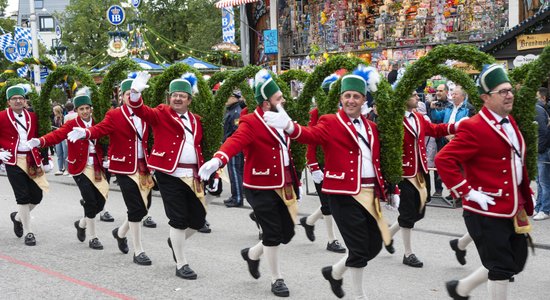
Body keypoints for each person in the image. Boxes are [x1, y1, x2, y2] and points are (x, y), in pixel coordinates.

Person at [263, 65, 396, 299]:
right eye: (347, 96)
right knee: (358, 247)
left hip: (369, 193)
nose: (351, 100)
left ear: (364, 99)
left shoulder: (372, 127)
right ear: (341, 98)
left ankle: (335, 272)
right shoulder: (330, 121)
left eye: (356, 96)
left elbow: (377, 160)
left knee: (374, 245)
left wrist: (391, 187)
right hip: (342, 193)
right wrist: (288, 126)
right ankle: (359, 295)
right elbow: (309, 135)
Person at [436, 64, 533, 300]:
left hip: (511, 206)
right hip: (484, 209)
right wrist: (467, 192)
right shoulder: (474, 126)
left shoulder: (510, 121)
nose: (509, 95)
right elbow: (443, 159)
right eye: (502, 91)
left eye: (510, 90)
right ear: (485, 98)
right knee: (500, 268)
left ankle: (461, 289)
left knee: (515, 263)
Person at [199, 69, 299, 297]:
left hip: (283, 183)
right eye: (278, 98)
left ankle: (252, 254)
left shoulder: (282, 117)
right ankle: (277, 279)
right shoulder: (251, 122)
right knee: (273, 233)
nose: (282, 101)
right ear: (266, 103)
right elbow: (236, 141)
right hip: (259, 186)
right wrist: (218, 158)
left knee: (287, 233)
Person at [126, 71, 207, 280]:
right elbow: (140, 110)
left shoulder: (196, 120)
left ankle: (175, 240)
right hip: (169, 173)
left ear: (189, 99)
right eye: (174, 95)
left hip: (193, 175)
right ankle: (181, 264)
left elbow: (197, 146)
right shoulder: (161, 113)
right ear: (169, 98)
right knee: (178, 219)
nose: (177, 98)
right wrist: (135, 92)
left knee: (198, 220)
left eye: (182, 95)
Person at [68, 77, 155, 264]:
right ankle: (138, 250)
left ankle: (120, 232)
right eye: (127, 93)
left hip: (144, 166)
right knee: (135, 207)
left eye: (133, 93)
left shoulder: (146, 113)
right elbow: (100, 128)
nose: (130, 96)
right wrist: (86, 132)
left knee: (145, 207)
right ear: (121, 96)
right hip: (123, 167)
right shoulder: (114, 115)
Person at [28, 87, 108, 250]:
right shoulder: (72, 124)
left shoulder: (98, 122)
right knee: (91, 202)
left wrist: (109, 157)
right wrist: (41, 141)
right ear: (76, 110)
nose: (85, 112)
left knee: (101, 202)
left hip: (98, 166)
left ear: (91, 108)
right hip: (80, 167)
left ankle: (81, 224)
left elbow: (108, 139)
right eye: (81, 109)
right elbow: (57, 135)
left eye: (87, 108)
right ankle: (93, 237)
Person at [387, 90, 457, 268]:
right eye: (413, 95)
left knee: (420, 211)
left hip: (421, 171)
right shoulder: (394, 119)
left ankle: (386, 234)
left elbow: (434, 129)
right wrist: (391, 181)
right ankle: (408, 253)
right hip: (404, 174)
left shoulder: (418, 117)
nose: (418, 98)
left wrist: (456, 127)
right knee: (408, 212)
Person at [299, 73, 345, 253]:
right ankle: (331, 239)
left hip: (336, 163)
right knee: (328, 203)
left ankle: (308, 221)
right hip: (320, 163)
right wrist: (313, 166)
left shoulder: (340, 114)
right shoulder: (315, 113)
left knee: (333, 201)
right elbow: (311, 141)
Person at [0, 84, 49, 246]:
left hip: (31, 159)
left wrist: (46, 158)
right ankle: (29, 232)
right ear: (9, 102)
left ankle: (17, 218)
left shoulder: (33, 116)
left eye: (21, 98)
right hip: (13, 160)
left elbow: (39, 136)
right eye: (14, 99)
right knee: (22, 197)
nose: (18, 101)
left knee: (37, 195)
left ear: (25, 100)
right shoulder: (1, 116)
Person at [427, 83, 452, 197]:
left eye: (441, 91)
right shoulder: (431, 104)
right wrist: (431, 108)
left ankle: (452, 191)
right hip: (433, 139)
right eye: (437, 90)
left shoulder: (450, 106)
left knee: (444, 163)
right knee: (433, 163)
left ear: (446, 92)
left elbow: (442, 120)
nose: (438, 93)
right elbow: (430, 119)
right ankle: (437, 190)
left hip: (444, 138)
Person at [222, 90, 245, 208]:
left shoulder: (236, 112)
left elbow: (236, 131)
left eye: (229, 96)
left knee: (235, 171)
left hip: (234, 146)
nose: (226, 98)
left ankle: (238, 198)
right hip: (231, 145)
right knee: (234, 171)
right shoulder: (232, 110)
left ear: (236, 98)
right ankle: (235, 195)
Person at [534, 87, 550, 221]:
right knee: (541, 181)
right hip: (542, 150)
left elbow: (543, 132)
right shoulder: (541, 109)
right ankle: (539, 207)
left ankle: (545, 209)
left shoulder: (538, 110)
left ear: (542, 97)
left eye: (536, 95)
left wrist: (539, 150)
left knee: (543, 182)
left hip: (542, 151)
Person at [51, 105, 68, 175]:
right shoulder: (54, 118)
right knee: (59, 153)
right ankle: (60, 169)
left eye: (54, 111)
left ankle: (67, 169)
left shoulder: (63, 117)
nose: (53, 112)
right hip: (57, 137)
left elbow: (65, 127)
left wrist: (60, 129)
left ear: (57, 111)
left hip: (63, 137)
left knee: (65, 153)